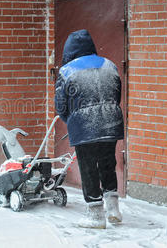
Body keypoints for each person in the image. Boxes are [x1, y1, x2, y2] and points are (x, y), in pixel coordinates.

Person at [55, 29, 124, 229]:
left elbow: (61, 106)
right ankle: (113, 209)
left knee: (88, 168)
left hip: (84, 126)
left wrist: (73, 120)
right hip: (111, 122)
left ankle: (95, 215)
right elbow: (116, 95)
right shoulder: (109, 65)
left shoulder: (67, 71)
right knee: (107, 163)